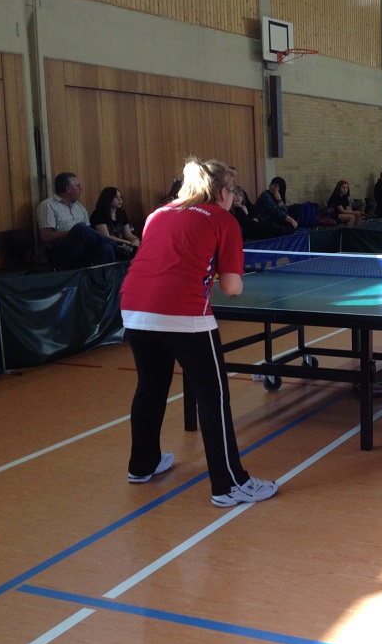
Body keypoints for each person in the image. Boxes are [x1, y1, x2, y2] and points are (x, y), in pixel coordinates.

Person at [119, 157, 278, 508]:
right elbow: (232, 287)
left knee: (150, 386)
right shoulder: (222, 219)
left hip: (134, 308)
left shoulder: (156, 214)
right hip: (184, 314)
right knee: (212, 395)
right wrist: (230, 278)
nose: (234, 197)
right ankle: (229, 484)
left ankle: (142, 464)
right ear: (221, 191)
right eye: (234, 190)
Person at [36, 172, 117, 267]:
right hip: (59, 251)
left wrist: (81, 233)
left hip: (83, 247)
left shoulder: (80, 208)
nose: (81, 189)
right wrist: (73, 232)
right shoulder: (48, 205)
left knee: (106, 248)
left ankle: (110, 275)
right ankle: (114, 243)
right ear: (68, 189)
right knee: (79, 228)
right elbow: (45, 236)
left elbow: (89, 233)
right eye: (78, 186)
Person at [90, 187, 140, 259]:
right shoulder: (98, 214)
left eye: (120, 197)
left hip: (123, 245)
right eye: (116, 197)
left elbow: (127, 234)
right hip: (107, 244)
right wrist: (127, 243)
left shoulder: (122, 213)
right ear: (108, 199)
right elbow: (106, 237)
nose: (120, 199)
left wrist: (137, 240)